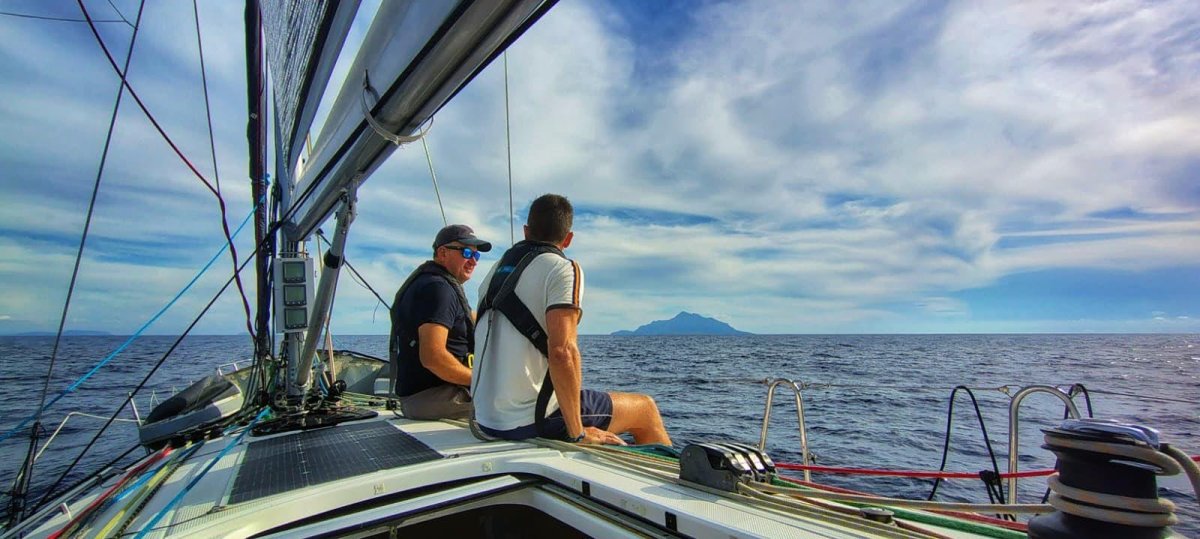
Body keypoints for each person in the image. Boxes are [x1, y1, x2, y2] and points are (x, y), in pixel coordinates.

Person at [471, 194, 671, 445]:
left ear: (525, 231)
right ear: (568, 239)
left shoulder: (494, 272)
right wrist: (577, 432)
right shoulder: (563, 268)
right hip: (528, 421)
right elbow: (562, 351)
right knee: (645, 409)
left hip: (485, 419)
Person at [389, 224, 491, 420]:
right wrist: (480, 380)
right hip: (435, 398)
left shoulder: (430, 283)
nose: (473, 261)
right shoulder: (439, 289)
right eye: (467, 252)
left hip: (420, 398)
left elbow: (469, 317)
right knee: (523, 407)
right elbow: (433, 357)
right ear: (443, 253)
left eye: (476, 256)